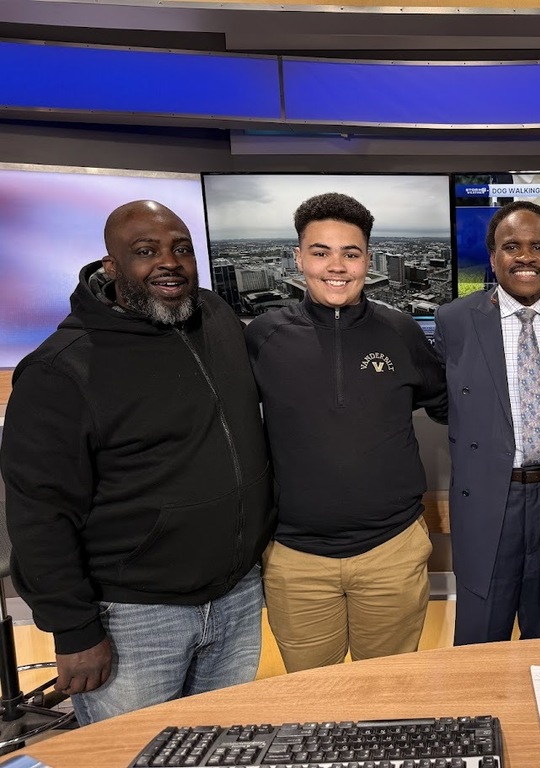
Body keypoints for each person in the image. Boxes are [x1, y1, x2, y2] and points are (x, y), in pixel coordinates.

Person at [0, 200, 274, 724]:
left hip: (236, 596)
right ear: (111, 266)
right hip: (134, 618)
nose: (167, 263)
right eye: (145, 252)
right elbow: (39, 515)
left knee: (220, 749)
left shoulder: (217, 319)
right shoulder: (62, 369)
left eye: (181, 249)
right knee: (130, 756)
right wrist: (75, 630)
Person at [245, 192, 446, 671]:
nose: (336, 266)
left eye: (350, 253)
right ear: (298, 258)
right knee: (312, 701)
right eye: (320, 252)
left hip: (391, 550)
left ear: (367, 260)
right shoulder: (262, 336)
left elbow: (448, 406)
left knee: (389, 692)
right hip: (295, 560)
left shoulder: (401, 331)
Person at [434, 200, 540, 645]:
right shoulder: (454, 321)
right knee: (478, 647)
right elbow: (441, 402)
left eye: (538, 246)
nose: (525, 256)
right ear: (493, 257)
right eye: (511, 246)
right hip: (489, 500)